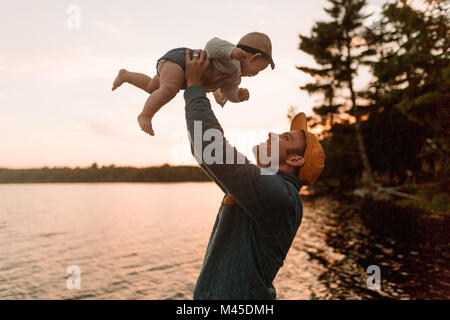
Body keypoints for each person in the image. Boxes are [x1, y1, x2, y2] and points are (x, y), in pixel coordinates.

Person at [183, 49, 325, 299]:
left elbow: (210, 148)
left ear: (295, 159)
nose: (272, 135)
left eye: (285, 137)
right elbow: (203, 151)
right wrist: (198, 90)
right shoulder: (263, 189)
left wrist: (194, 87)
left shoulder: (281, 196)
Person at [112, 32, 275, 136]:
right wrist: (231, 52)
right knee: (168, 90)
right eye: (258, 70)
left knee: (152, 87)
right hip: (182, 61)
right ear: (254, 58)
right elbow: (212, 46)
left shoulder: (235, 78)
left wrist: (237, 96)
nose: (255, 75)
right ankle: (145, 115)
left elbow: (227, 91)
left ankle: (126, 75)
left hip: (183, 74)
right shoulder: (231, 55)